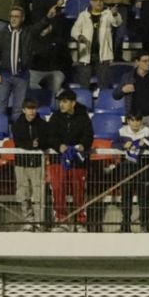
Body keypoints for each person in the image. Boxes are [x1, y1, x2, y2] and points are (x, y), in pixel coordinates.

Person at [45, 88, 94, 228]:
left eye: (65, 102)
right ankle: (61, 221)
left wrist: (82, 146)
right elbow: (50, 136)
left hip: (78, 161)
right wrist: (58, 146)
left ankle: (80, 222)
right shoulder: (55, 117)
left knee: (79, 191)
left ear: (73, 103)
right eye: (60, 102)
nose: (61, 105)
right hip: (57, 161)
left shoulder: (84, 117)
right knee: (58, 189)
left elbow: (88, 137)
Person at [8, 97, 49, 230]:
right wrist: (32, 145)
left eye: (34, 109)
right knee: (23, 193)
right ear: (24, 110)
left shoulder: (42, 124)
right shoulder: (17, 124)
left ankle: (39, 221)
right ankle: (28, 220)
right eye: (29, 109)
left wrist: (39, 144)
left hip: (37, 164)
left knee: (38, 193)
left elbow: (46, 141)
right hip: (21, 163)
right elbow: (19, 142)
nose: (32, 112)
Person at [0, 5, 35, 115]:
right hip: (4, 75)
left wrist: (47, 18)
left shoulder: (27, 32)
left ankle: (17, 132)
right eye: (11, 16)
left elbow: (39, 27)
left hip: (22, 75)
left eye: (17, 17)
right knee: (1, 106)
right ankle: (0, 130)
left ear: (22, 18)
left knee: (19, 109)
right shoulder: (2, 33)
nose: (13, 19)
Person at [70, 0, 121, 89]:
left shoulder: (108, 14)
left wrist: (115, 14)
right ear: (91, 2)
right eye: (96, 0)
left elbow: (117, 23)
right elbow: (74, 31)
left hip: (103, 56)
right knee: (84, 86)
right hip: (86, 55)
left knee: (104, 85)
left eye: (101, 0)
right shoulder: (83, 15)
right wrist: (80, 36)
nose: (99, 2)